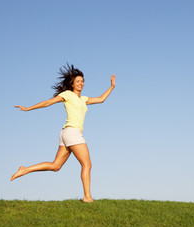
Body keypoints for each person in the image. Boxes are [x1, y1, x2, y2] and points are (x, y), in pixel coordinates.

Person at [11, 63, 116, 203]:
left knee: (56, 166)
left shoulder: (83, 99)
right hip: (72, 133)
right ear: (72, 83)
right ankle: (87, 197)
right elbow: (49, 102)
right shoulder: (67, 95)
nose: (81, 83)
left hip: (66, 133)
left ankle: (25, 169)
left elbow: (101, 99)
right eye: (78, 81)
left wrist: (112, 86)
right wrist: (28, 108)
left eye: (82, 81)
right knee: (87, 165)